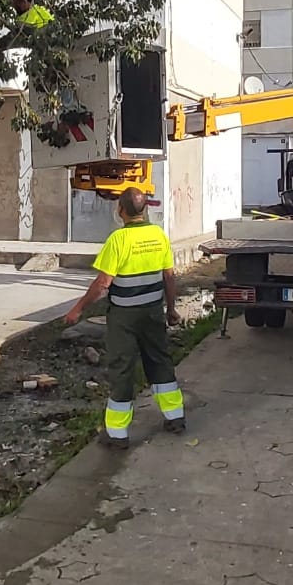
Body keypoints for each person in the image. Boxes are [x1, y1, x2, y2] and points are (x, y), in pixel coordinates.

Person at [63, 189, 185, 447]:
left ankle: (117, 434)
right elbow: (169, 277)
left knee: (122, 368)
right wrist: (171, 309)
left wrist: (78, 309)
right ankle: (175, 417)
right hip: (152, 311)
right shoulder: (159, 236)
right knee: (160, 361)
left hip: (124, 317)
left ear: (120, 211)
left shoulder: (118, 240)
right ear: (144, 210)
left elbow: (102, 284)